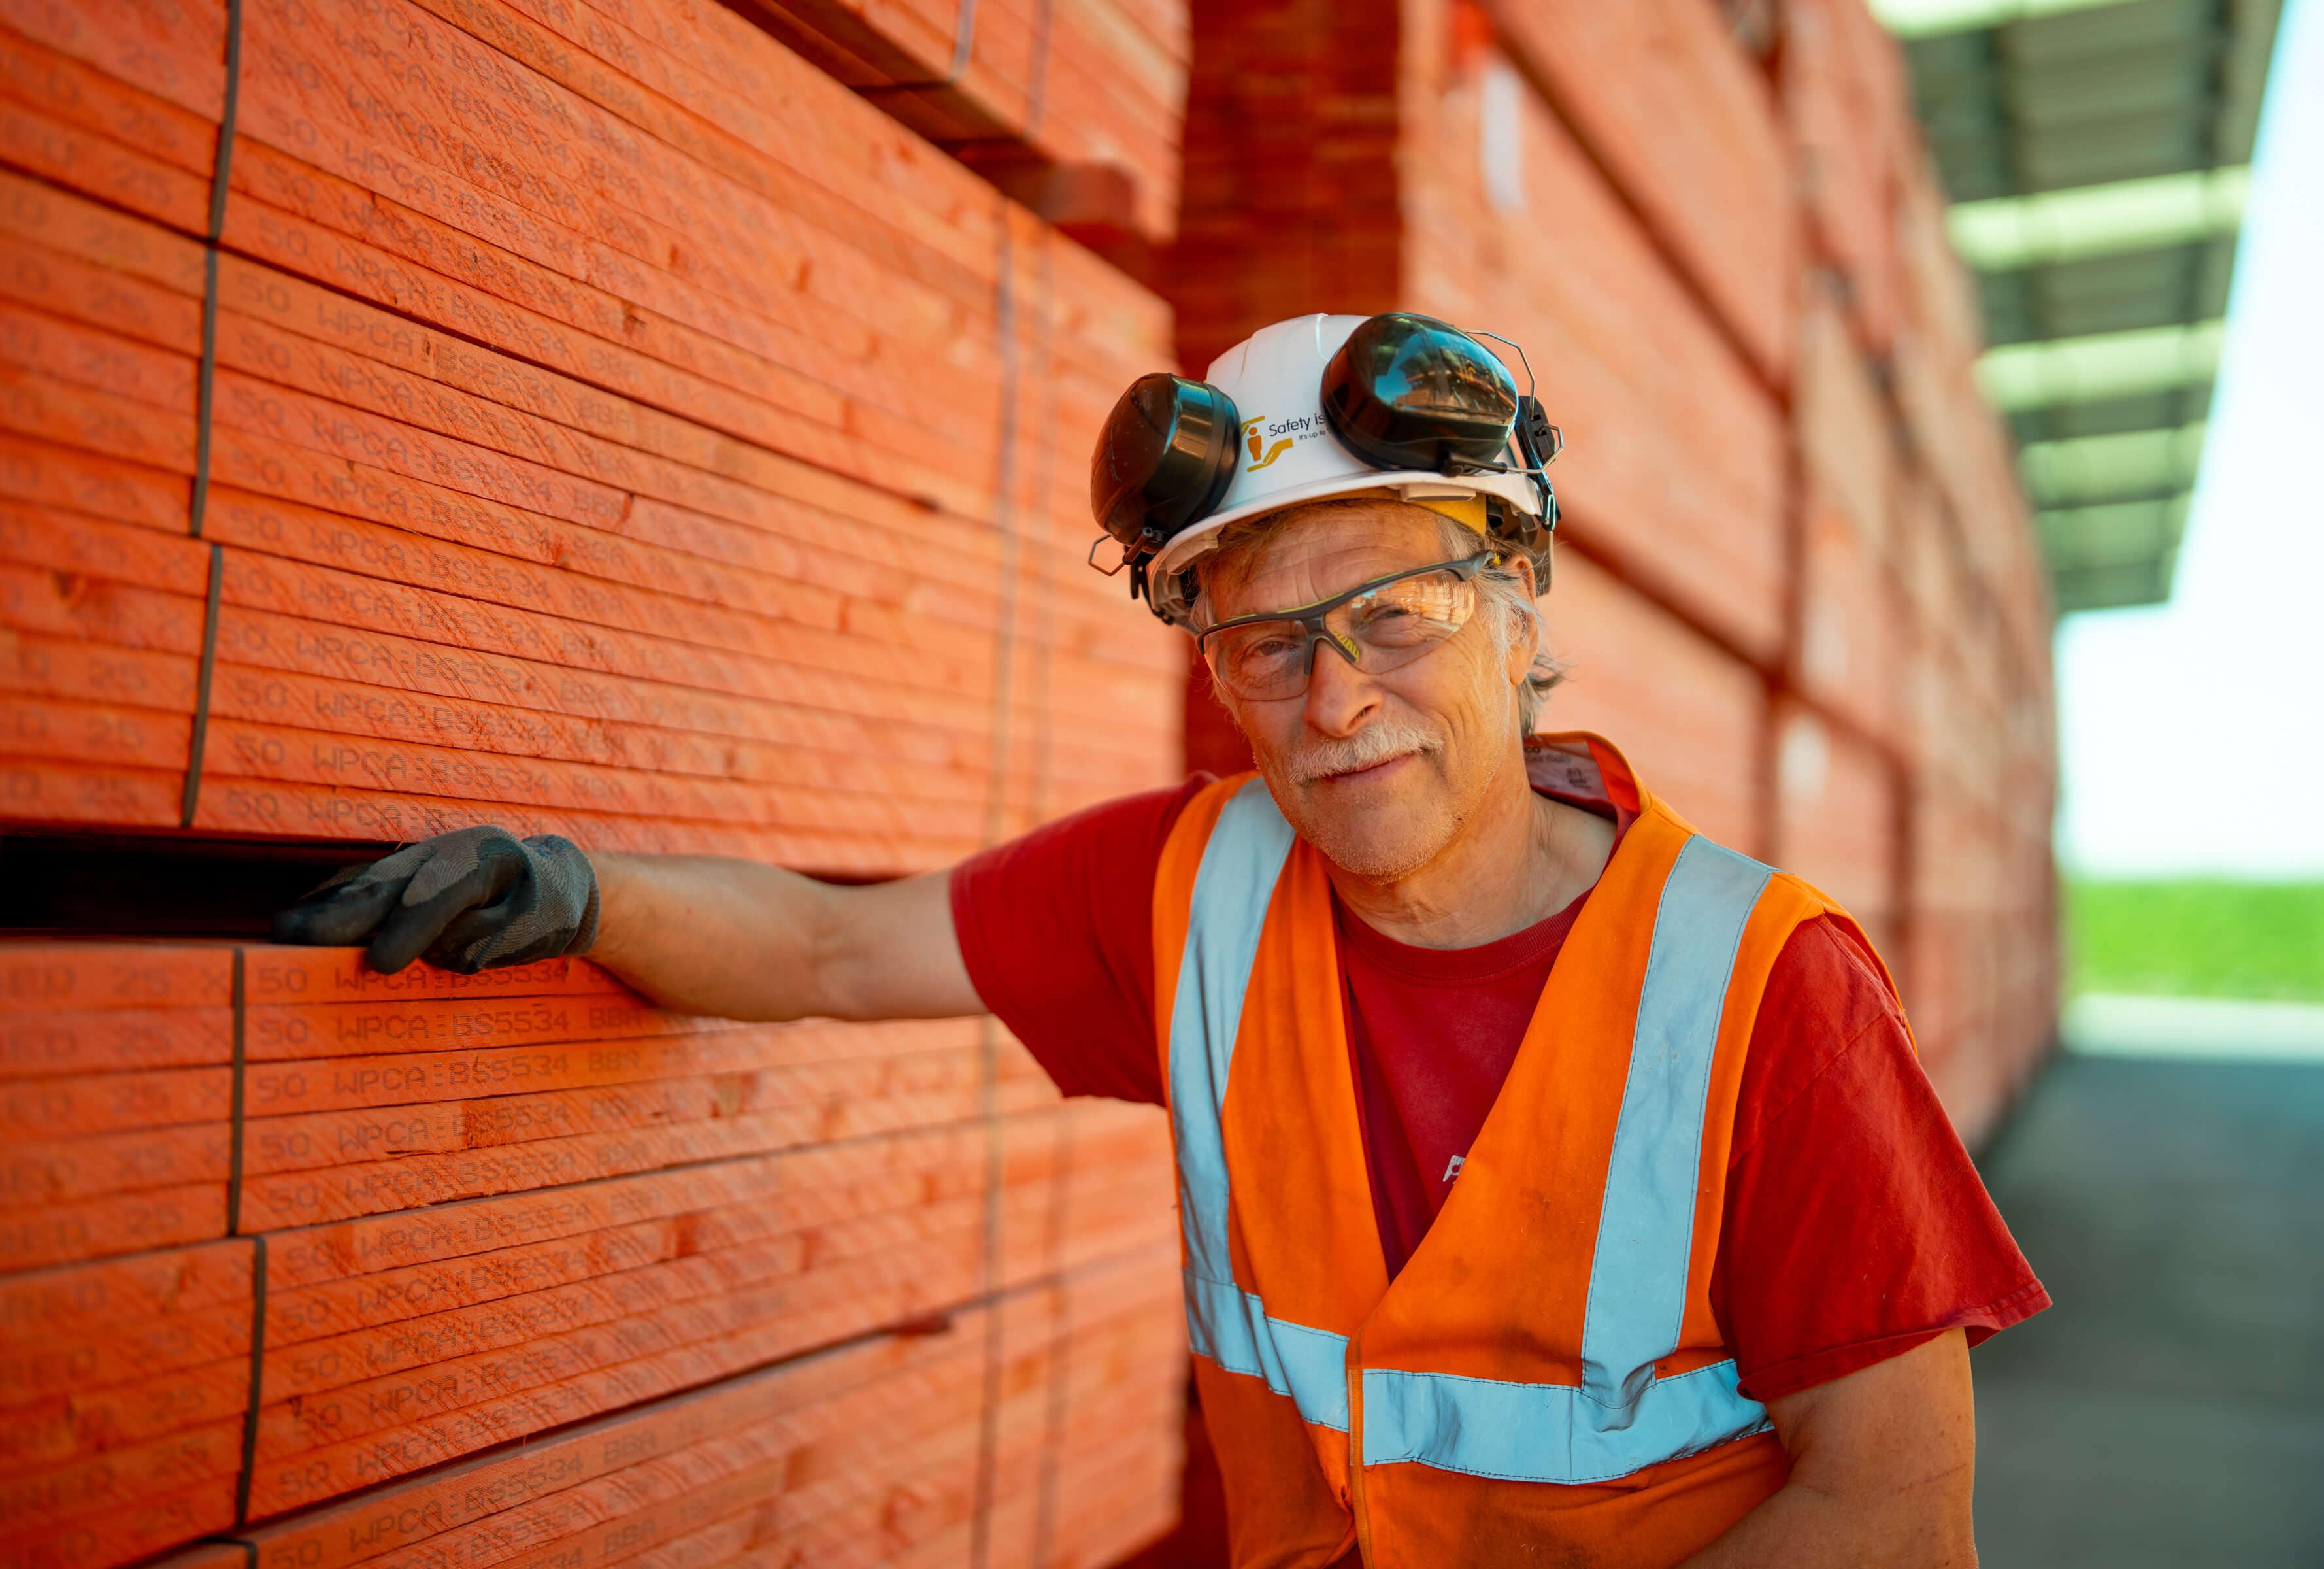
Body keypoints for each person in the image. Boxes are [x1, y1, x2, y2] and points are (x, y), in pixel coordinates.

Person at [277, 314, 2047, 1568]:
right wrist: (585, 892)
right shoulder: (1191, 893)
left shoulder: (1762, 984)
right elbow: (828, 953)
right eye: (1262, 641)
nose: (1334, 698)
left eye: (1396, 615)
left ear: (1519, 611)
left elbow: (1896, 1519)